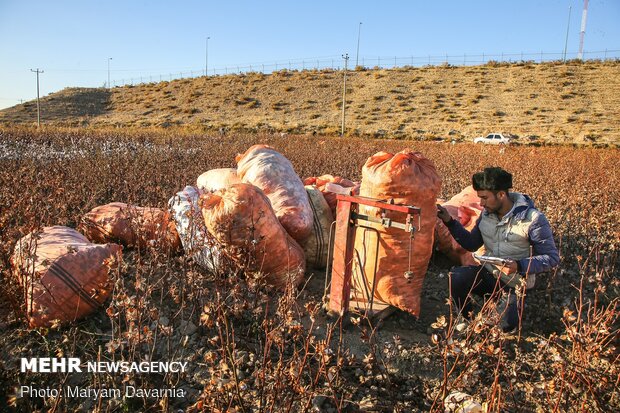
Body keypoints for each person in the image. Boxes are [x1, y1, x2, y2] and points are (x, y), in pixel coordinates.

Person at [437, 167, 559, 331]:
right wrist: (449, 221)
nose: (481, 203)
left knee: (505, 327)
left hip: (515, 283)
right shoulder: (486, 216)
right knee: (457, 277)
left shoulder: (533, 220)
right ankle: (468, 319)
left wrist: (519, 265)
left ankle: (504, 308)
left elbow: (551, 258)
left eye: (485, 198)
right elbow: (472, 243)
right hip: (489, 274)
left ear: (501, 194)